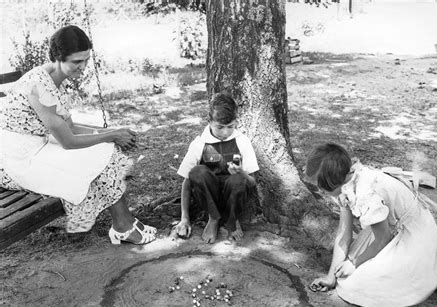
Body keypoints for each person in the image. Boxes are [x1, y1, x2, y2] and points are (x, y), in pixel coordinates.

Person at [0, 25, 156, 245]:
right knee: (102, 152)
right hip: (15, 161)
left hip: (39, 148)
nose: (83, 67)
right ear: (57, 57)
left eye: (86, 60)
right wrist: (110, 135)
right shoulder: (37, 85)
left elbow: (70, 127)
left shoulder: (56, 80)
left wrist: (114, 132)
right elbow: (69, 141)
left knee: (103, 150)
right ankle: (123, 226)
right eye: (76, 62)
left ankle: (124, 224)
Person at [306, 143, 437, 307]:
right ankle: (425, 272)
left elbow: (383, 238)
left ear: (332, 182)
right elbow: (344, 234)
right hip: (387, 228)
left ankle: (429, 272)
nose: (320, 191)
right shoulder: (346, 185)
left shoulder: (367, 193)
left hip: (411, 236)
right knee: (343, 277)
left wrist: (353, 263)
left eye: (320, 187)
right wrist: (331, 276)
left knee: (354, 285)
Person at [174, 92, 259, 244]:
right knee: (197, 172)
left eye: (230, 126)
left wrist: (242, 173)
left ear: (236, 122)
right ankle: (213, 218)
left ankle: (233, 219)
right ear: (209, 121)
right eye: (220, 127)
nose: (225, 132)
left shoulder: (242, 141)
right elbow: (187, 182)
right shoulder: (200, 143)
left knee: (239, 179)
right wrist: (184, 218)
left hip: (232, 196)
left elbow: (252, 182)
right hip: (208, 197)